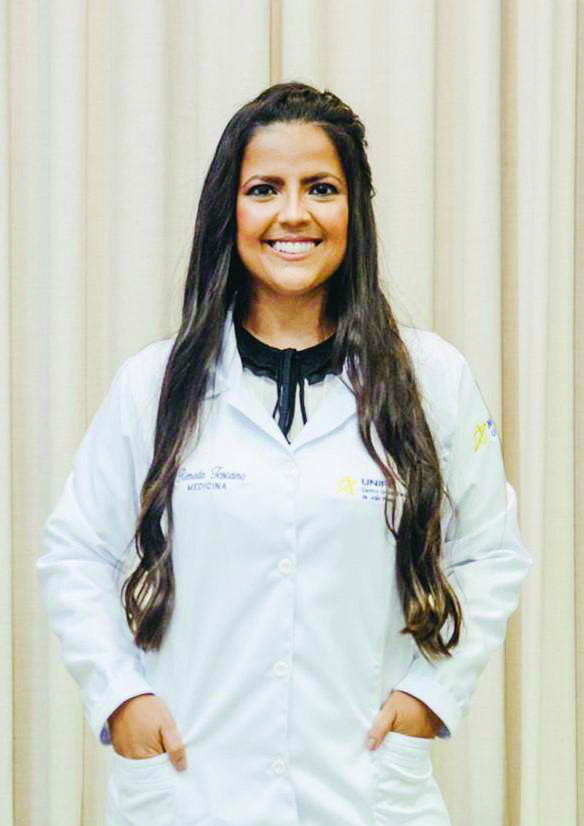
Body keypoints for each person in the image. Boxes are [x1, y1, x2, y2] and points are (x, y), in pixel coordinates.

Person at [37, 81, 533, 826]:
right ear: (229, 211)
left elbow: (490, 555)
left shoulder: (433, 379)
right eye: (264, 189)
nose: (293, 214)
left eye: (321, 188)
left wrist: (430, 697)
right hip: (191, 791)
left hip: (366, 791)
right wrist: (121, 696)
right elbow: (75, 552)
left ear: (354, 211)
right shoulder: (155, 383)